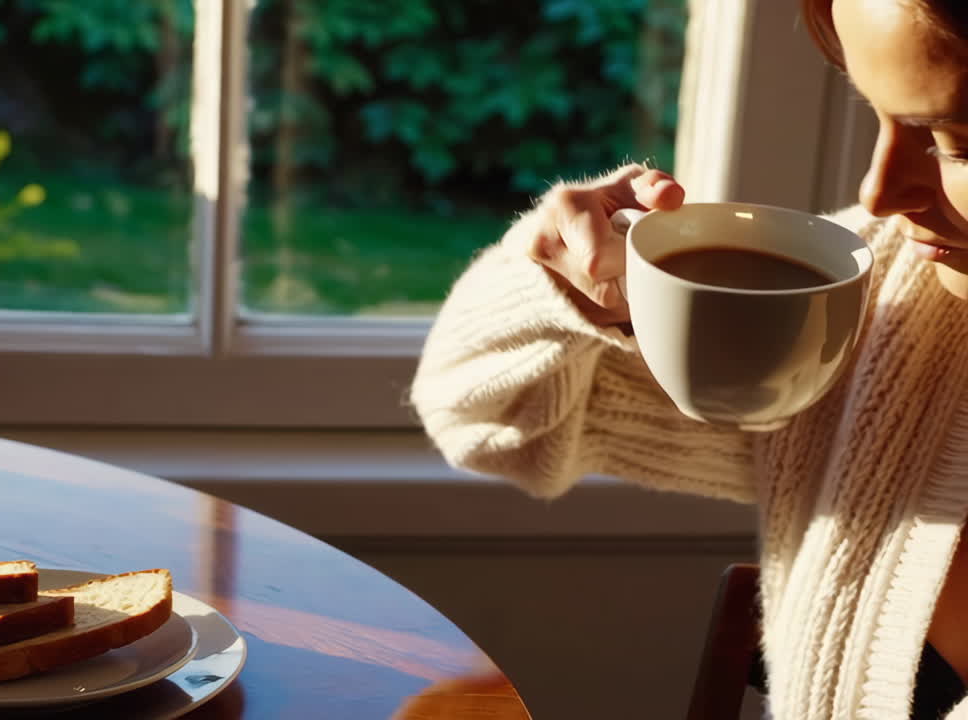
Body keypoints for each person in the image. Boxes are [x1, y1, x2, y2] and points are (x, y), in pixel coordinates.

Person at [410, 0, 968, 718]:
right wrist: (572, 280)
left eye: (954, 141)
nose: (881, 192)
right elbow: (483, 412)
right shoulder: (884, 309)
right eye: (877, 114)